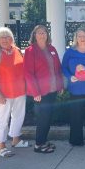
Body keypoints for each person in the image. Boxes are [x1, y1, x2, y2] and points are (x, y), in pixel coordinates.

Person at [0, 27, 29, 157]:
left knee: (18, 116)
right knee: (2, 119)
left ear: (12, 38)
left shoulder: (16, 51)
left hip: (19, 91)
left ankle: (16, 140)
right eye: (2, 37)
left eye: (7, 37)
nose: (5, 40)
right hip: (2, 93)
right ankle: (0, 146)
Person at [24, 25, 64, 153]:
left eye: (44, 33)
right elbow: (28, 73)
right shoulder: (30, 51)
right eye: (39, 33)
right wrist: (35, 92)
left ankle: (44, 141)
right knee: (43, 118)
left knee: (48, 117)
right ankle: (38, 145)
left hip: (52, 90)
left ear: (47, 35)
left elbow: (58, 68)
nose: (42, 35)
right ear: (34, 35)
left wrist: (60, 85)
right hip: (40, 92)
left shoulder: (52, 49)